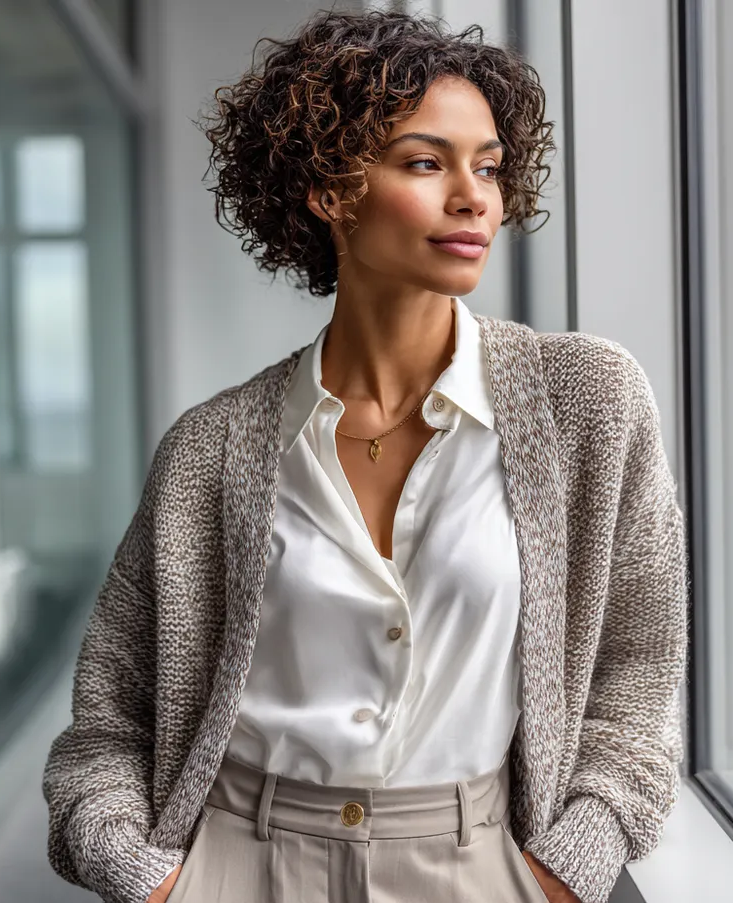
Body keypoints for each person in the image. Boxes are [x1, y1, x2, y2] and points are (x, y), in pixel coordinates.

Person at [42, 9, 688, 903]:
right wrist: (150, 881)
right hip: (239, 864)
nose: (475, 197)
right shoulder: (210, 449)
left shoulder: (590, 401)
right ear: (329, 190)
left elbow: (641, 674)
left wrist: (563, 869)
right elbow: (109, 720)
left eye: (491, 167)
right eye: (427, 163)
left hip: (484, 868)